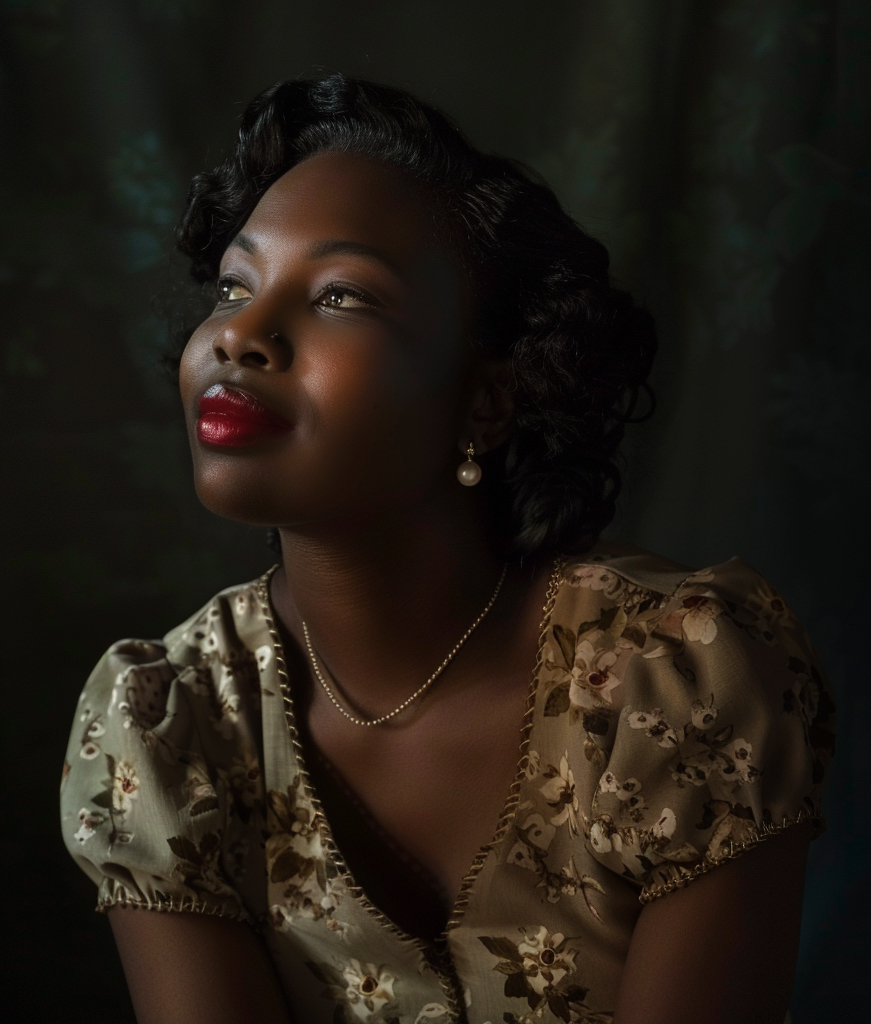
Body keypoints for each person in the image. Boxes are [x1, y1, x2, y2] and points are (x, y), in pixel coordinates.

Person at [59, 74, 834, 1024]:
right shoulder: (167, 725)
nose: (243, 336)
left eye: (341, 295)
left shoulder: (675, 679)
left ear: (487, 400)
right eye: (235, 286)